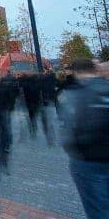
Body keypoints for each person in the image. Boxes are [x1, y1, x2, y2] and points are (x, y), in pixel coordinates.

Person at [59, 59, 109, 219]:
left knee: (98, 209)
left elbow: (67, 130)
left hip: (87, 161)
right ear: (95, 70)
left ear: (75, 72)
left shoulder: (73, 93)